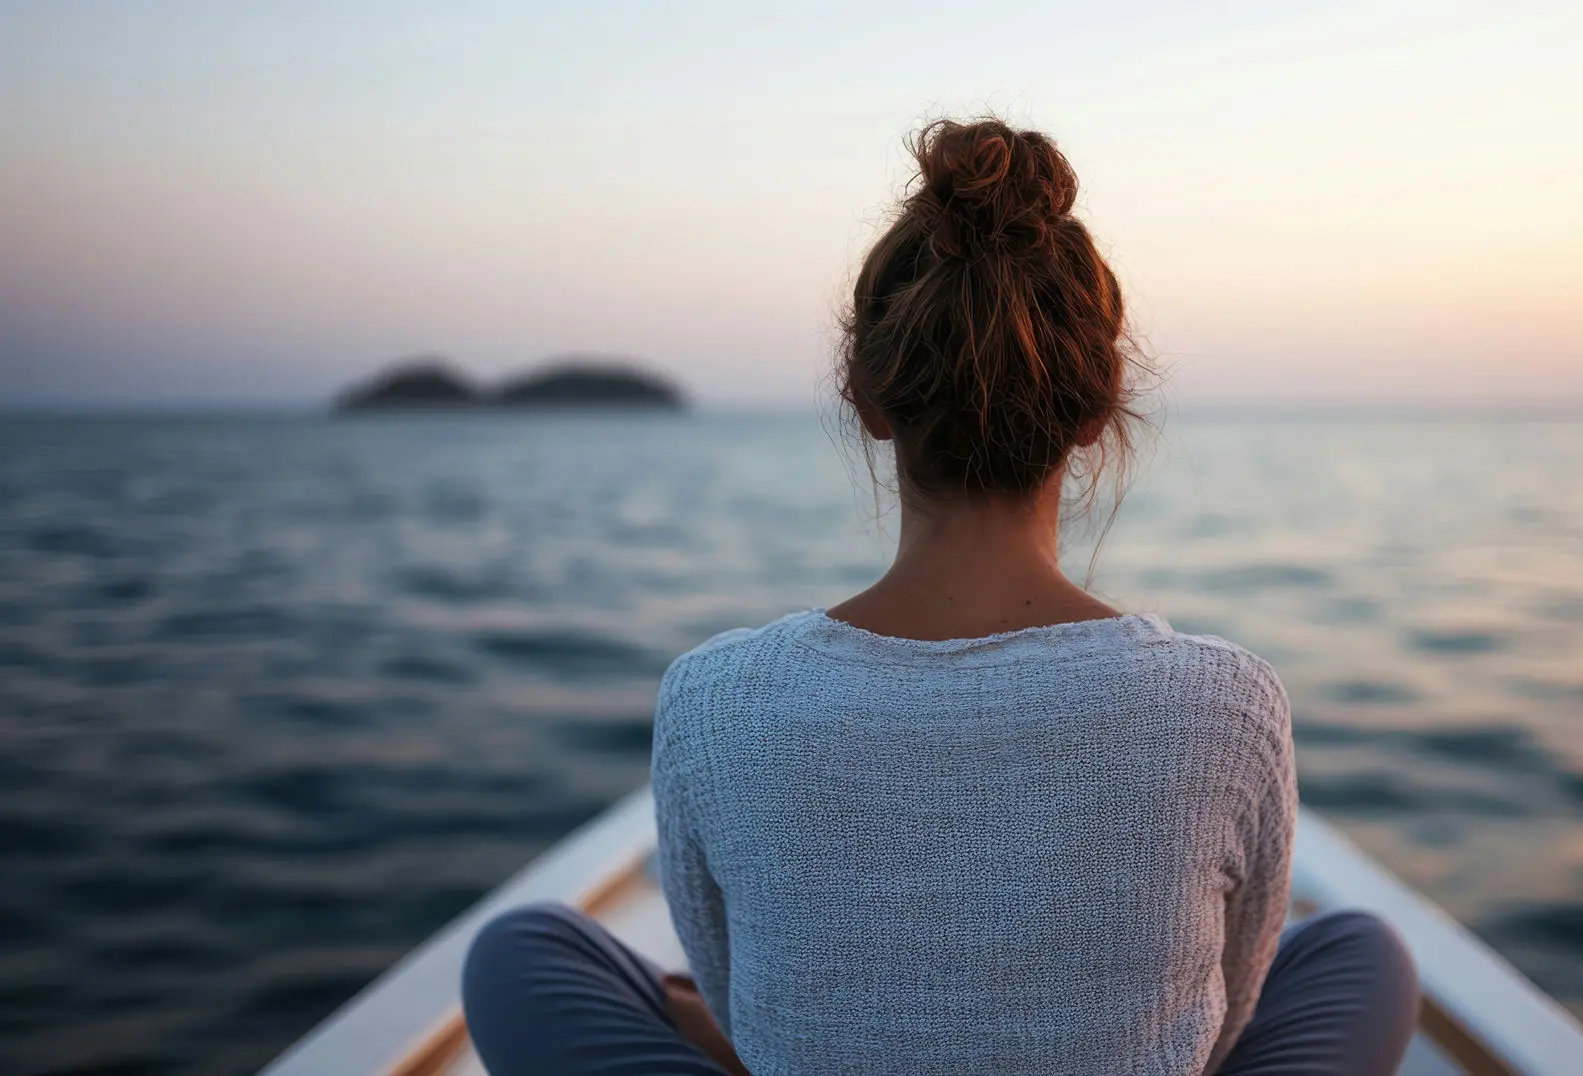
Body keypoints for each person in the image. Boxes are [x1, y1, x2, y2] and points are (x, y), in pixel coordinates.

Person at [462, 117, 1420, 1076]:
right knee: (1363, 951)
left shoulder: (716, 701)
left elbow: (730, 997)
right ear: (1096, 412)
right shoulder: (1227, 706)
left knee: (520, 953)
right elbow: (1229, 1022)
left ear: (867, 400)